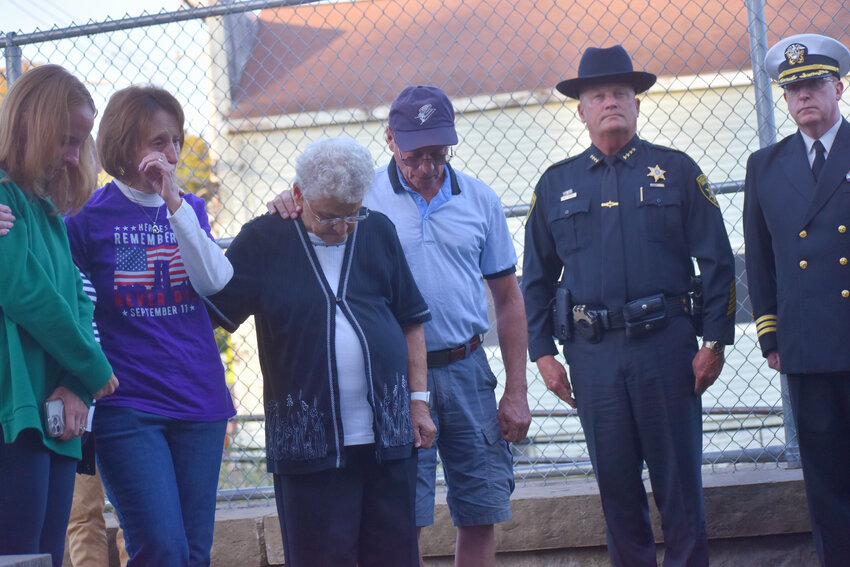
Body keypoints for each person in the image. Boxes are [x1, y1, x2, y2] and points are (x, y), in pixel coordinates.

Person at [269, 86, 531, 567]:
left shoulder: (480, 199)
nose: (427, 167)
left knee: (480, 508)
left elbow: (509, 300)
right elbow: (313, 215)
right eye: (415, 155)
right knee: (399, 515)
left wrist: (517, 388)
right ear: (390, 139)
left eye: (438, 153)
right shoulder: (362, 196)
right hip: (392, 379)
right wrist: (289, 199)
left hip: (468, 367)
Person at [523, 45, 736, 566]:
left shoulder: (677, 171)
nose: (611, 102)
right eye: (598, 95)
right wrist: (542, 354)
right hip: (593, 358)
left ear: (637, 104)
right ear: (582, 110)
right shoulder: (556, 185)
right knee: (617, 495)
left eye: (621, 93)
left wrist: (716, 342)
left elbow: (718, 263)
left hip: (667, 351)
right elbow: (535, 277)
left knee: (681, 493)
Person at [207, 137, 434, 566]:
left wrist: (418, 403)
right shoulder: (264, 239)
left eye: (352, 213)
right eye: (330, 216)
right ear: (297, 195)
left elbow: (410, 321)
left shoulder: (377, 229)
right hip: (307, 447)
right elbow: (212, 317)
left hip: (387, 438)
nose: (343, 227)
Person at [63, 85, 236, 566]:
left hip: (199, 402)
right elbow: (74, 309)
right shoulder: (86, 219)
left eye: (176, 141)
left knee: (195, 552)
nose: (172, 153)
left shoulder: (191, 209)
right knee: (160, 548)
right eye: (158, 142)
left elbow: (215, 281)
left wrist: (176, 205)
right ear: (124, 144)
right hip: (127, 406)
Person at [0, 64, 118, 567]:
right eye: (65, 140)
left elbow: (77, 294)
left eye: (81, 142)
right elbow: (22, 291)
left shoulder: (47, 210)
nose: (74, 156)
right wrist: (93, 368)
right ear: (29, 125)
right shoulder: (5, 196)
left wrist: (77, 379)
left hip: (54, 415)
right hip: (17, 409)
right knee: (18, 554)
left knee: (44, 556)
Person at [744, 33, 850, 567]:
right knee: (825, 480)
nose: (803, 96)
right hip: (807, 347)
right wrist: (770, 336)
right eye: (793, 90)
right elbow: (760, 261)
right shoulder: (764, 166)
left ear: (837, 87)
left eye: (813, 84)